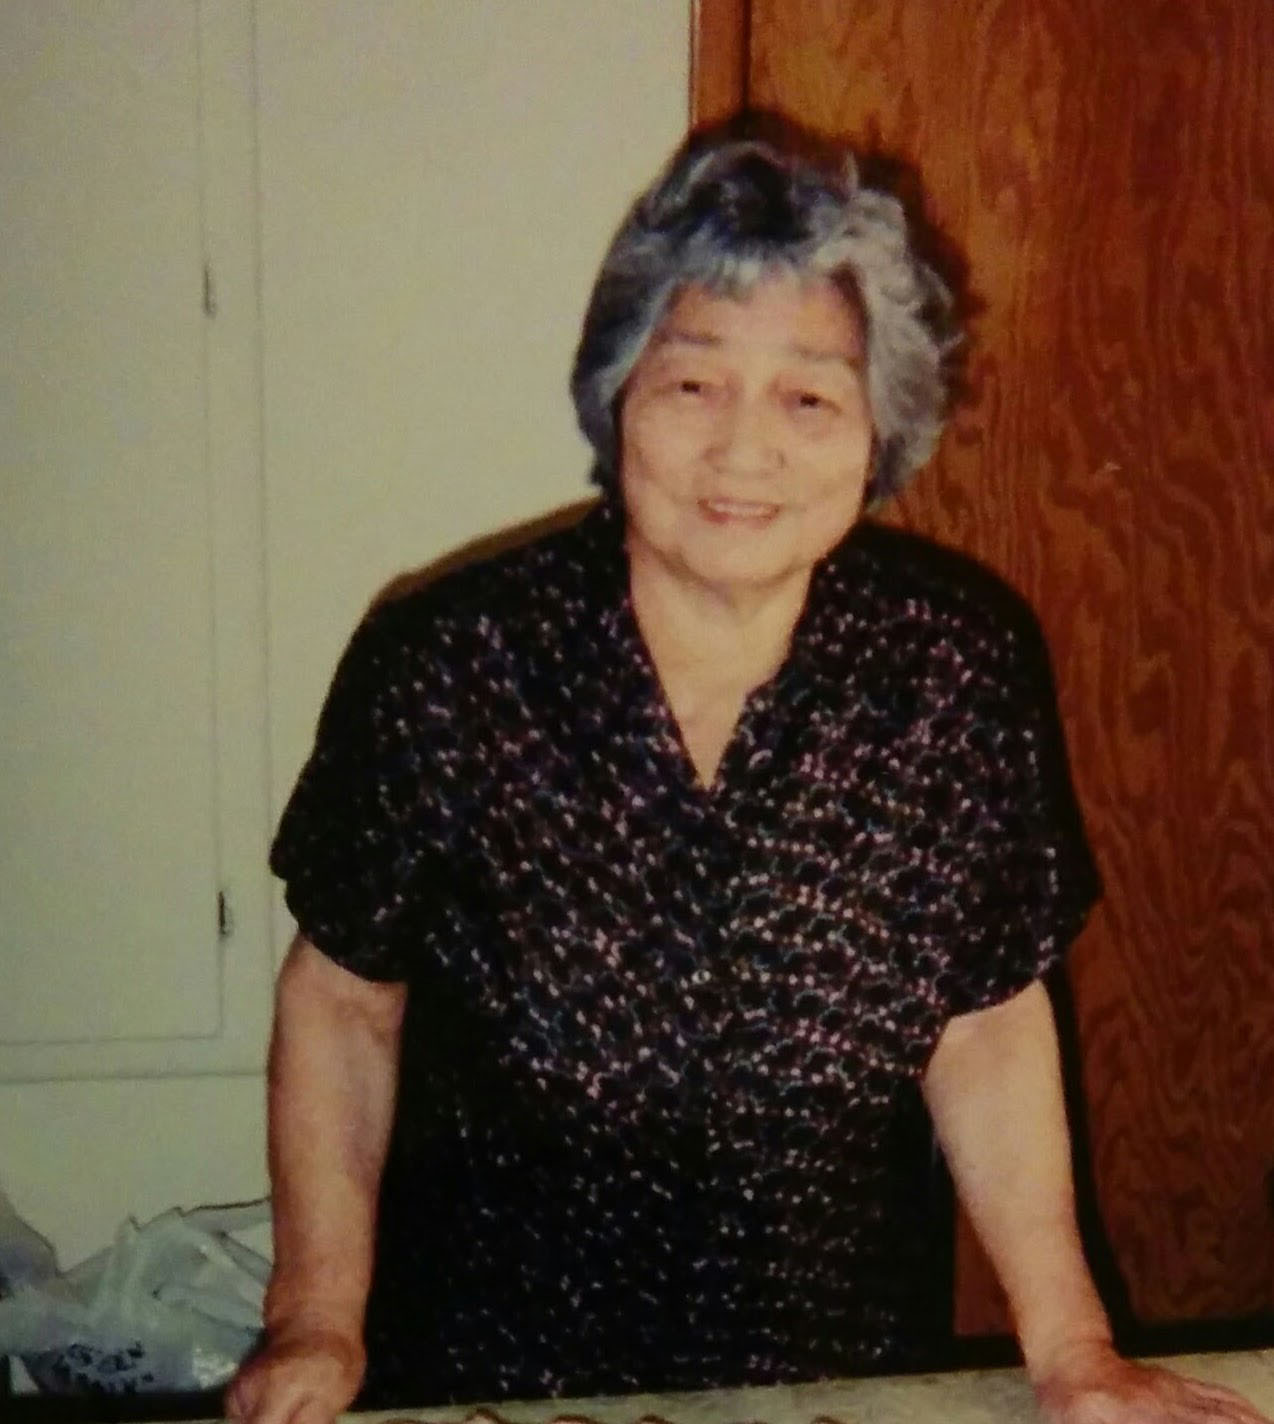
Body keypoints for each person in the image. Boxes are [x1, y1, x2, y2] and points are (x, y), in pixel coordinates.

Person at [226, 129, 1270, 1424]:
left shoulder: (952, 669)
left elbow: (987, 1020)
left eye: (808, 399)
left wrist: (1072, 1351)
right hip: (493, 1370)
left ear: (880, 430)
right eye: (693, 383)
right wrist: (315, 1317)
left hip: (826, 1372)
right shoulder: (448, 664)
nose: (743, 450)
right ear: (618, 396)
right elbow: (342, 1002)